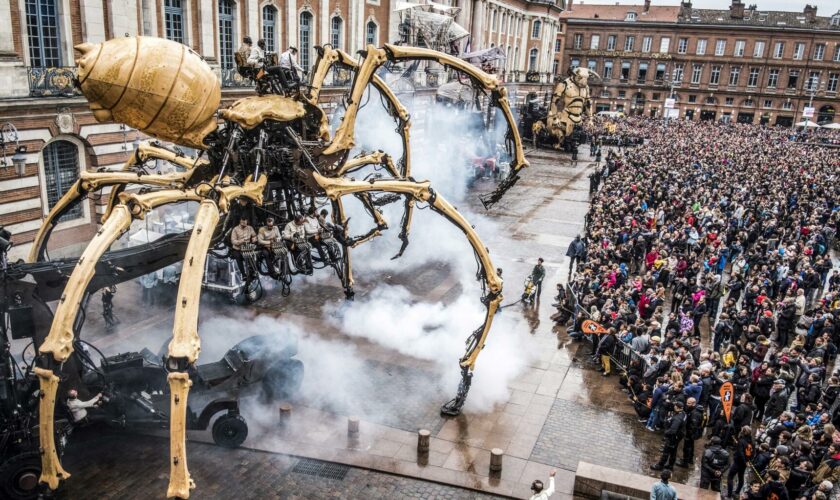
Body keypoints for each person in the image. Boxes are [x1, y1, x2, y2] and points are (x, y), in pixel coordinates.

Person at [651, 400, 686, 471]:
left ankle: (660, 465)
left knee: (666, 452)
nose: (674, 407)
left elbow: (673, 430)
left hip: (673, 437)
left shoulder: (677, 419)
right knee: (673, 451)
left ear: (677, 407)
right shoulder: (683, 413)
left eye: (675, 406)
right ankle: (670, 465)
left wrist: (666, 432)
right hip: (678, 436)